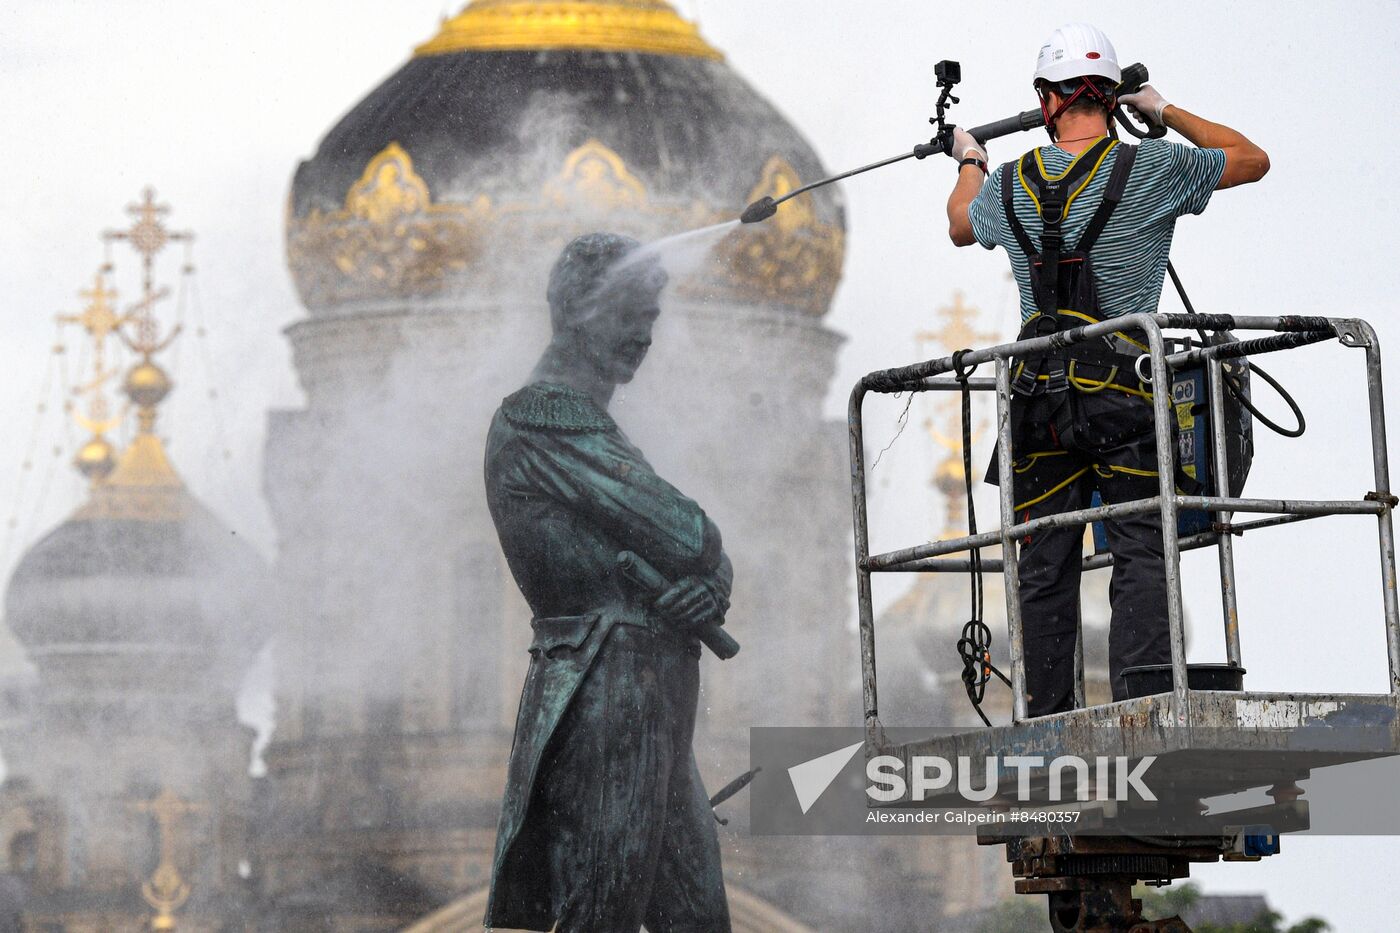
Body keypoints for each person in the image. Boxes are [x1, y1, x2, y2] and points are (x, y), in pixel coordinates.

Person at [943, 23, 1269, 716]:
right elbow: (1250, 158)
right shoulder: (1153, 170)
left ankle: (1049, 718)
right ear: (1112, 95)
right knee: (1140, 549)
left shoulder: (1008, 184)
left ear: (1046, 98)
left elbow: (960, 222)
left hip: (1036, 403)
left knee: (1044, 563)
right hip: (1124, 396)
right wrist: (1163, 111)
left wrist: (970, 155)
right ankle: (1145, 705)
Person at [483, 233, 733, 933]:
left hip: (647, 691)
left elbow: (700, 555)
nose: (645, 335)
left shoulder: (593, 426)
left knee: (696, 916)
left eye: (652, 317)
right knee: (603, 908)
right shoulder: (547, 419)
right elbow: (686, 533)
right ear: (582, 309)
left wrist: (706, 589)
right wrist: (702, 563)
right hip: (604, 687)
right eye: (633, 312)